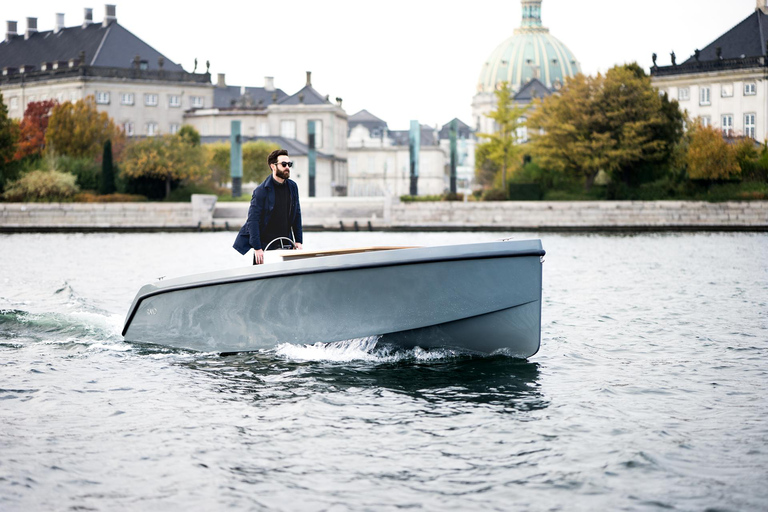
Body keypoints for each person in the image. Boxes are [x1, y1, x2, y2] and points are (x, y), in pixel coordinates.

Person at [233, 149, 303, 264]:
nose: (287, 167)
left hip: (285, 242)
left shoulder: (293, 187)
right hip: (264, 245)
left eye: (289, 164)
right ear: (273, 166)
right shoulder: (261, 191)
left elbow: (297, 214)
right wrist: (257, 248)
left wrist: (298, 241)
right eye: (284, 164)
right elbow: (253, 220)